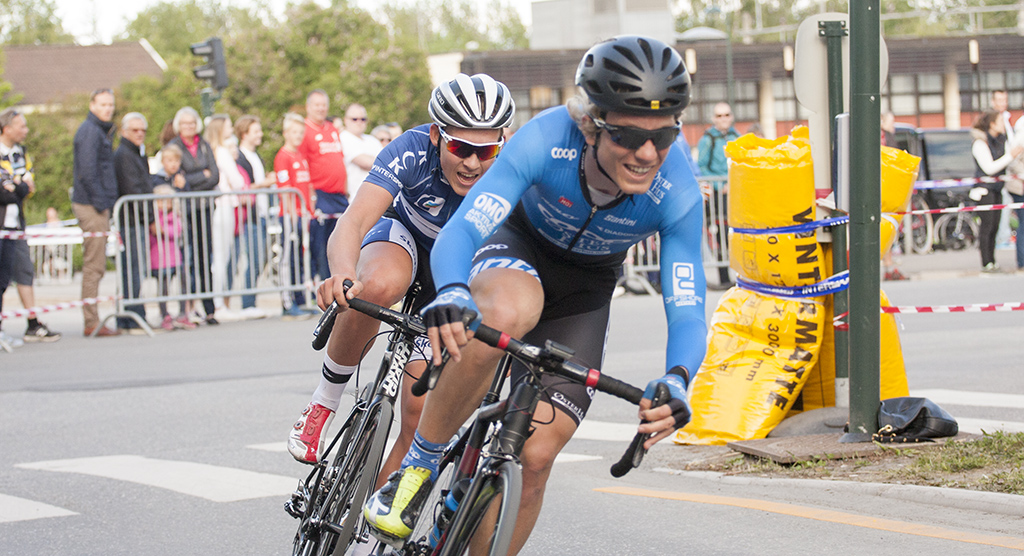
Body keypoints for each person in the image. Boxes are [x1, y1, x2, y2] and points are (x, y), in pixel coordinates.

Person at [362, 36, 705, 555]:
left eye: (664, 136)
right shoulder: (547, 137)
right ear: (590, 124)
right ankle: (415, 471)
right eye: (628, 136)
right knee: (507, 311)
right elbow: (463, 229)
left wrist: (678, 378)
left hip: (585, 291)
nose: (647, 154)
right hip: (518, 249)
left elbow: (688, 309)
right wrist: (453, 291)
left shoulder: (677, 190)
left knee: (538, 455)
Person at [288, 73, 515, 509]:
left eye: (485, 151)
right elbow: (353, 221)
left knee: (419, 412)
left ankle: (364, 524)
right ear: (437, 136)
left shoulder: (512, 172)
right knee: (376, 285)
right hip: (404, 239)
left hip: (456, 274)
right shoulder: (410, 149)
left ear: (501, 144)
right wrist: (342, 275)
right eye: (460, 148)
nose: (472, 163)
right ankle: (323, 402)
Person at [0, 108, 60, 342]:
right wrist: (17, 187)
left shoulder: (21, 154)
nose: (26, 130)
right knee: (1, 277)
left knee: (23, 270)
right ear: (7, 128)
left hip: (16, 224)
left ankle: (33, 323)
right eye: (21, 126)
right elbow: (5, 193)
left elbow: (27, 188)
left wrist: (16, 187)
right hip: (1, 224)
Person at [72, 88, 120, 337]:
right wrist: (102, 203)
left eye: (110, 104)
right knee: (94, 265)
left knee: (97, 264)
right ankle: (91, 321)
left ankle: (92, 320)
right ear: (92, 105)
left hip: (97, 203)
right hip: (91, 204)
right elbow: (88, 171)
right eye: (103, 104)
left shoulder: (99, 130)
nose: (108, 109)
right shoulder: (90, 131)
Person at [167, 106, 220, 325]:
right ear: (178, 126)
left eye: (191, 122)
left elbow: (214, 176)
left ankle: (209, 308)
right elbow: (179, 178)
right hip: (186, 211)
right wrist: (201, 176)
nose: (188, 126)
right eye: (184, 123)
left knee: (205, 257)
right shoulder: (174, 146)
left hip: (204, 208)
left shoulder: (204, 145)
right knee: (188, 259)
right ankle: (189, 307)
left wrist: (194, 178)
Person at [299, 90, 348, 283]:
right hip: (320, 194)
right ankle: (320, 283)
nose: (321, 108)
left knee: (342, 241)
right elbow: (302, 163)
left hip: (338, 195)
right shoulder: (304, 130)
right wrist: (310, 194)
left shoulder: (331, 129)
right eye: (317, 105)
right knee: (320, 245)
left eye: (323, 105)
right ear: (308, 107)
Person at [113, 112, 154, 332]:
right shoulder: (124, 155)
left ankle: (132, 315)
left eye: (142, 130)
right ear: (124, 131)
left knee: (135, 269)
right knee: (132, 269)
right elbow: (133, 190)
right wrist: (150, 218)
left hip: (136, 220)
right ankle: (132, 315)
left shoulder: (137, 153)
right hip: (130, 221)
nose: (139, 134)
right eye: (135, 130)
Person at [274, 112, 317, 320]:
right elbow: (286, 190)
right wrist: (292, 216)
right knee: (287, 259)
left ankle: (300, 299)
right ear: (286, 133)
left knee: (300, 260)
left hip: (303, 216)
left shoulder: (300, 156)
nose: (298, 136)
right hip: (290, 217)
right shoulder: (283, 157)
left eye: (301, 132)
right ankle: (287, 302)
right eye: (294, 132)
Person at [971, 109, 1023, 273]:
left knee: (995, 227)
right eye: (1000, 121)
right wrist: (1010, 155)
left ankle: (992, 261)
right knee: (987, 227)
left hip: (997, 189)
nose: (1003, 125)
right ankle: (986, 262)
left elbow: (1009, 161)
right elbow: (989, 168)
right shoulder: (980, 143)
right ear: (992, 124)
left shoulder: (1001, 140)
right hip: (984, 190)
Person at [204, 114, 246, 315]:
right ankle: (218, 302)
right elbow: (237, 181)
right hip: (224, 204)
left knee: (218, 256)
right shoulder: (221, 151)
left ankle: (217, 301)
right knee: (221, 256)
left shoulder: (210, 150)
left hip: (217, 205)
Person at [234, 115, 275, 320]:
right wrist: (264, 184)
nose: (260, 134)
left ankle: (250, 300)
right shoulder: (240, 157)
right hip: (249, 215)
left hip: (260, 212)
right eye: (256, 131)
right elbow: (243, 186)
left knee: (262, 257)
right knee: (255, 258)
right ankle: (247, 302)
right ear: (245, 134)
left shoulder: (255, 155)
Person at [697, 101, 739, 288]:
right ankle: (724, 278)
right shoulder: (707, 139)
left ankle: (740, 275)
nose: (723, 119)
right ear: (714, 119)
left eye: (726, 115)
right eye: (719, 116)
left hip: (734, 192)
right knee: (720, 234)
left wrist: (732, 182)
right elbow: (702, 166)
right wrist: (720, 183)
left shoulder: (736, 137)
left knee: (736, 232)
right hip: (717, 195)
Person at [149, 184, 194, 331]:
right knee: (163, 288)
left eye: (167, 201)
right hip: (159, 260)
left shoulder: (174, 216)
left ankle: (183, 313)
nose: (164, 204)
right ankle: (164, 315)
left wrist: (162, 230)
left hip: (175, 258)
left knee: (184, 283)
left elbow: (176, 231)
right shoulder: (153, 219)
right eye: (160, 201)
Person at [880, 111, 909, 281]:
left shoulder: (886, 137)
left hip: (887, 187)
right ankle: (889, 267)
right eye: (891, 121)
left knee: (889, 230)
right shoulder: (884, 138)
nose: (894, 125)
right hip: (888, 189)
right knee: (889, 228)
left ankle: (890, 267)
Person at [338, 103, 383, 200]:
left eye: (363, 119)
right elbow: (365, 162)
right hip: (355, 198)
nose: (359, 122)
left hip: (376, 197)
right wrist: (381, 162)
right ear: (345, 120)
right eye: (354, 119)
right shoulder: (343, 138)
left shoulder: (372, 140)